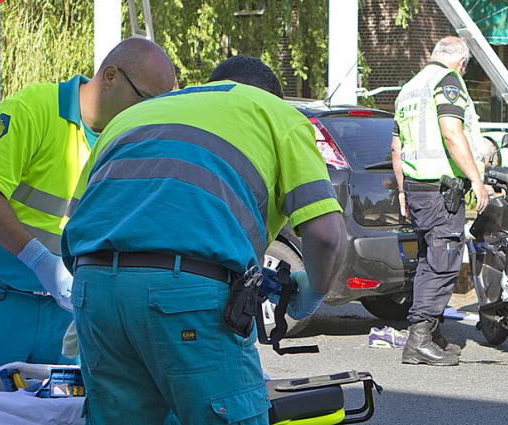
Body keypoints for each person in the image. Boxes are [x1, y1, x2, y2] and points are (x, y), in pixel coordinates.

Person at [61, 55, 347, 425]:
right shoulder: (277, 114)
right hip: (186, 294)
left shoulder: (131, 118)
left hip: (94, 290)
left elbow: (78, 221)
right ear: (270, 94)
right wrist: (312, 294)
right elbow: (326, 236)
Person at [0, 38, 176, 371]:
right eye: (146, 100)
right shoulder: (32, 109)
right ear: (110, 76)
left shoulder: (131, 140)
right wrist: (41, 261)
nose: (148, 115)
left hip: (70, 315)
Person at [391, 36, 489, 366]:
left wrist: (404, 189)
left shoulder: (409, 87)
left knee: (428, 261)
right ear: (461, 63)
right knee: (442, 263)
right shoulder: (448, 80)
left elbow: (396, 147)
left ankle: (430, 335)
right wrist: (476, 178)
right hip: (441, 189)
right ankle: (419, 341)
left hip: (419, 188)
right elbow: (451, 132)